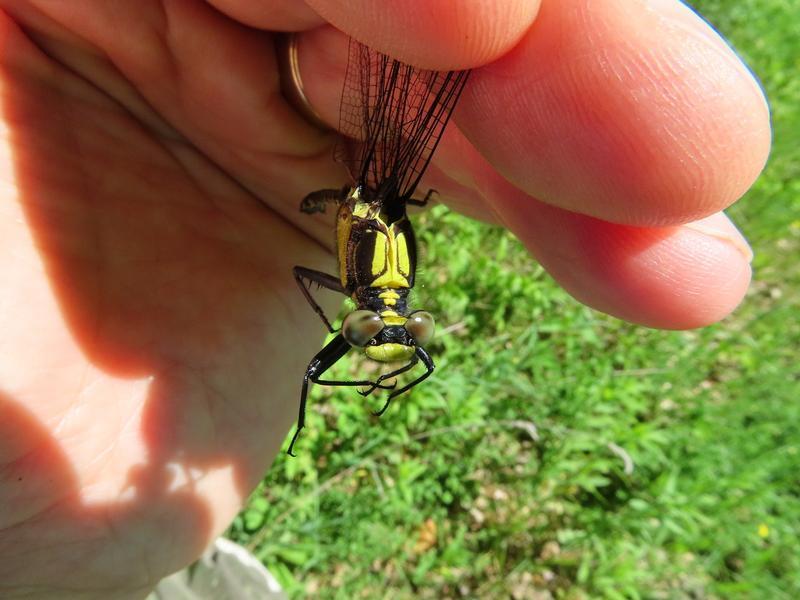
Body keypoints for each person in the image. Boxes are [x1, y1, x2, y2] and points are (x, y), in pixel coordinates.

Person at [0, 1, 769, 598]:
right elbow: (319, 294)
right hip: (357, 193)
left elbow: (361, 323)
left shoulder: (377, 303)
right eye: (389, 329)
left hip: (363, 197)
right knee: (441, 30)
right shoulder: (363, 278)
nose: (387, 333)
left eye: (382, 329)